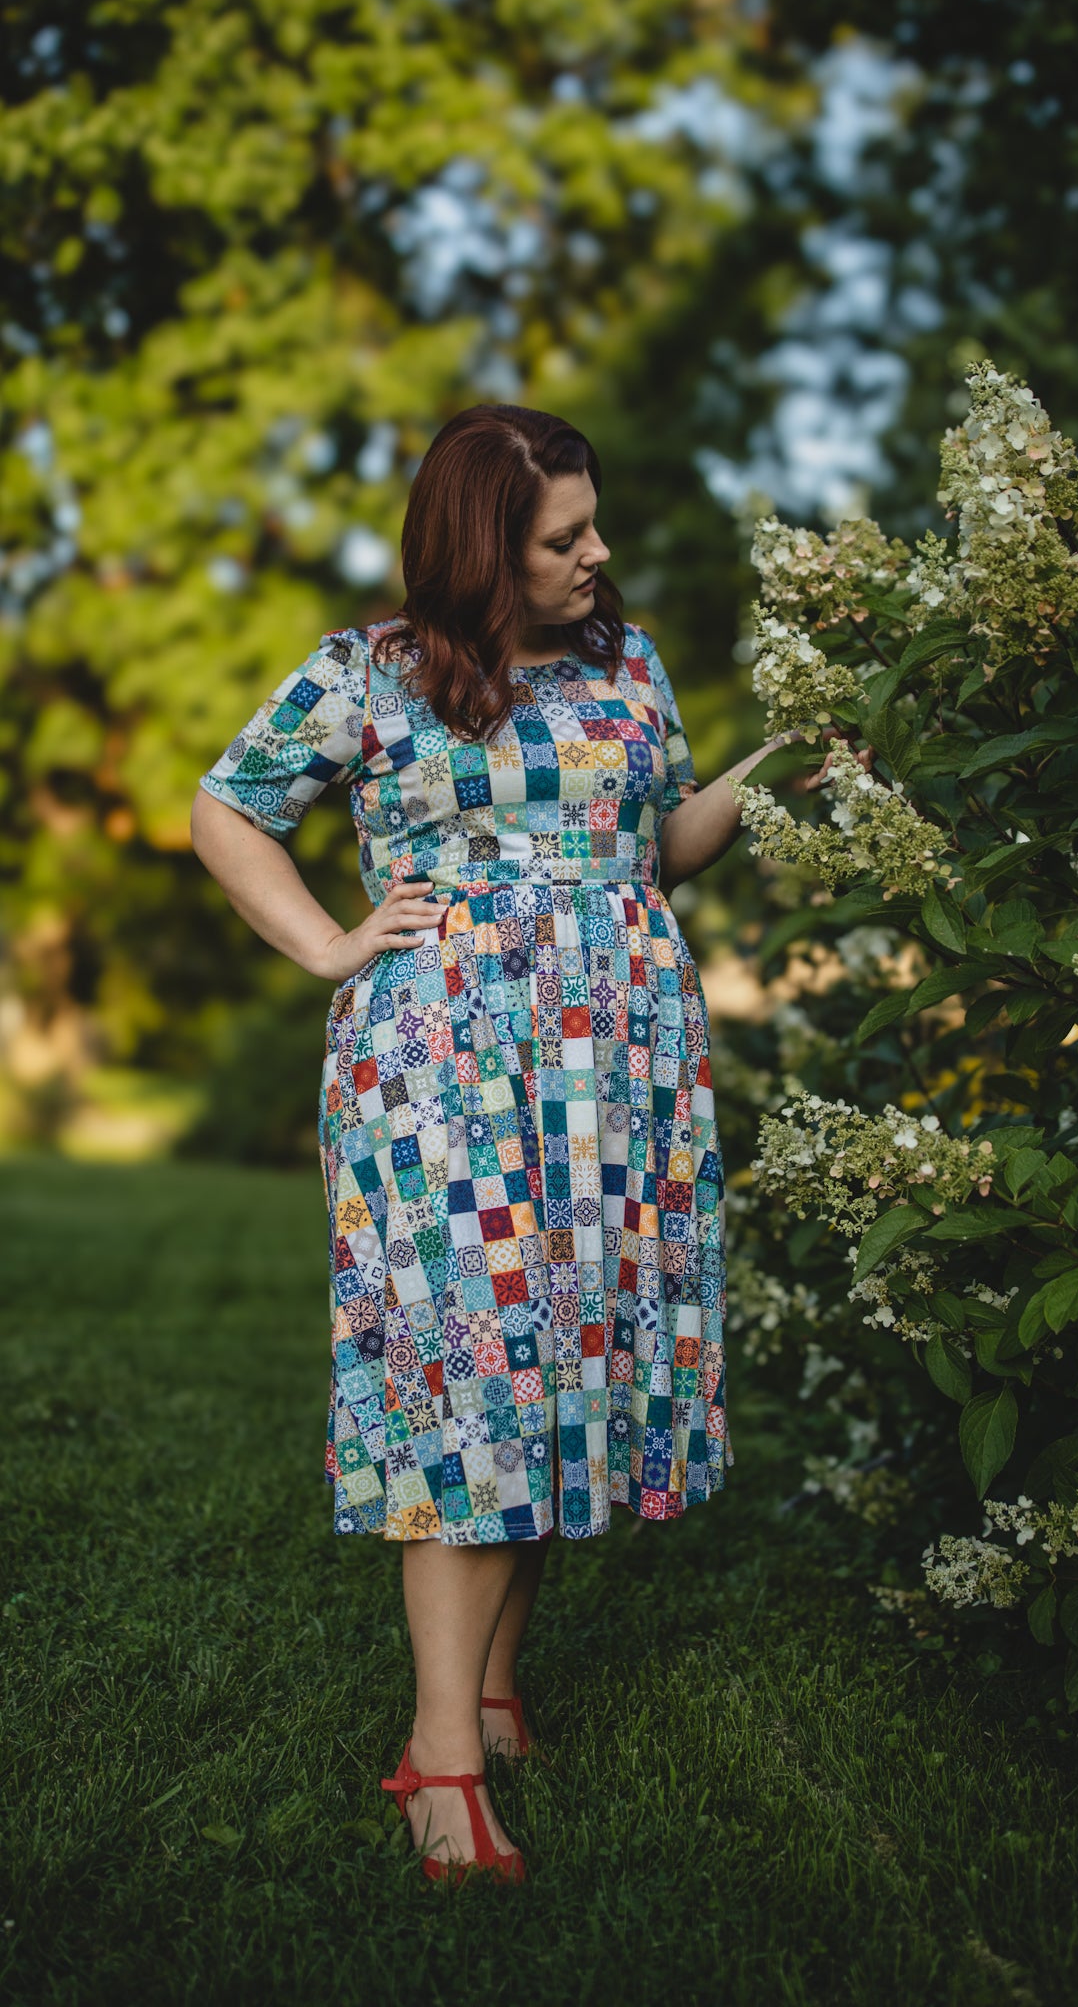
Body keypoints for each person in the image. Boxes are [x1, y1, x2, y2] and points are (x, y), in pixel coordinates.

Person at [190, 402, 853, 1884]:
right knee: (474, 1378)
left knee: (560, 1366)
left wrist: (782, 765)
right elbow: (226, 810)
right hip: (444, 1074)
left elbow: (659, 841)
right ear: (486, 544)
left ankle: (488, 1695)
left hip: (621, 1067)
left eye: (592, 524)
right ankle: (436, 1769)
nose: (595, 553)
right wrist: (328, 945)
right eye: (564, 535)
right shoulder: (369, 676)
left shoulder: (623, 663)